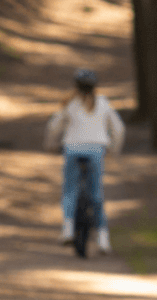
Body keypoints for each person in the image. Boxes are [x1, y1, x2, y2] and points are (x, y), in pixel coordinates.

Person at [44, 68, 125, 255]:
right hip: (97, 150)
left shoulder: (70, 103)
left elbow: (54, 126)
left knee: (70, 189)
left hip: (72, 149)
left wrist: (50, 144)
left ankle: (67, 229)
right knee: (96, 194)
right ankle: (103, 238)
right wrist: (114, 149)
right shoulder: (103, 103)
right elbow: (119, 128)